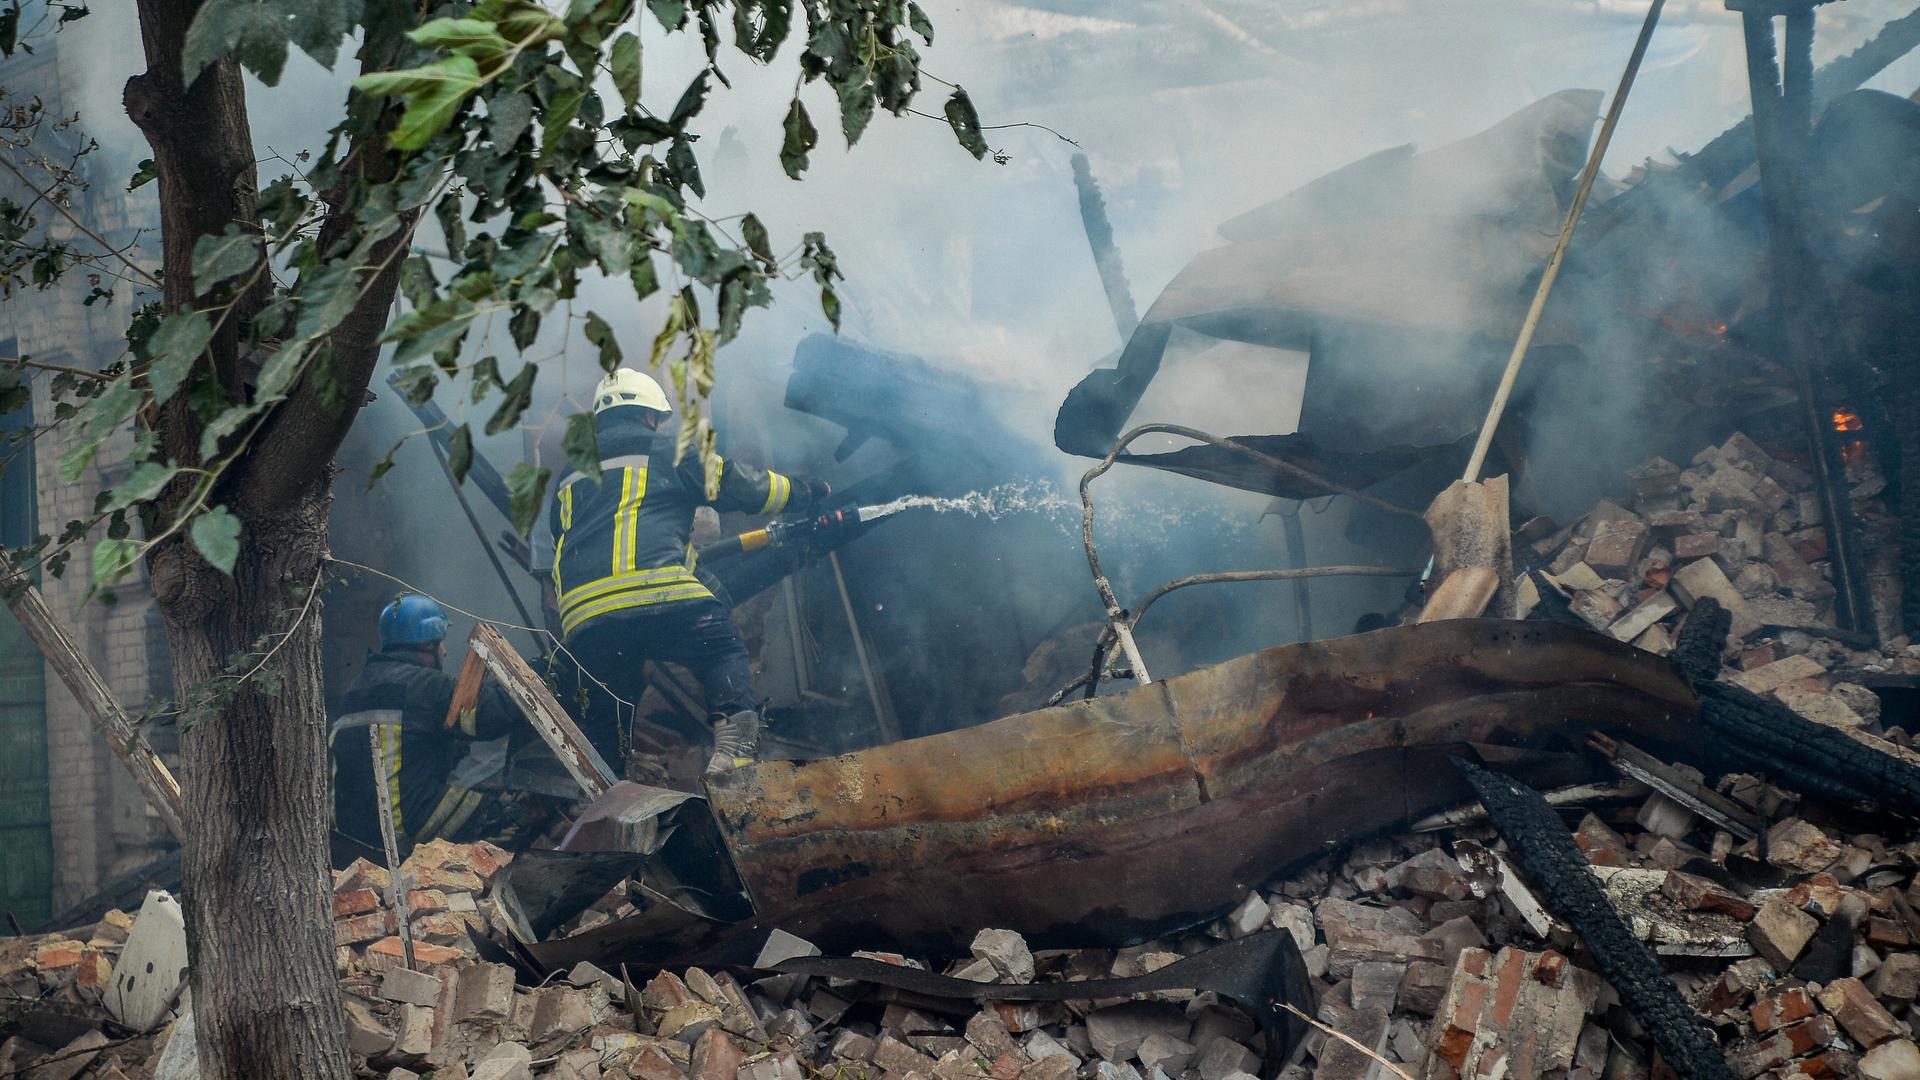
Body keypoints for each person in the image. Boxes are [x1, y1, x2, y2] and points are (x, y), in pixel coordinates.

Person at [550, 368, 826, 774]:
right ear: (650, 416)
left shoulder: (569, 476)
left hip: (585, 617)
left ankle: (606, 783)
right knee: (721, 651)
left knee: (611, 696)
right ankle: (733, 749)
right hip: (656, 594)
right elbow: (739, 486)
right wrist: (804, 493)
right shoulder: (668, 453)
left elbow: (564, 538)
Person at [330, 594, 522, 858]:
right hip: (404, 824)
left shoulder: (355, 690)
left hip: (353, 835)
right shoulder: (427, 685)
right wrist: (535, 679)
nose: (445, 650)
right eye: (441, 642)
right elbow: (488, 716)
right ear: (428, 643)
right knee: (510, 820)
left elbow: (400, 747)